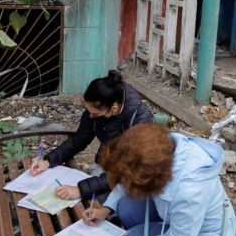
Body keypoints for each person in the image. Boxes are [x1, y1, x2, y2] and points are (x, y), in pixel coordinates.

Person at [80, 123, 236, 236]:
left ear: (151, 181)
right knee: (126, 209)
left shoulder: (189, 193)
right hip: (180, 215)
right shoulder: (163, 149)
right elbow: (128, 176)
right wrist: (106, 209)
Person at [30, 70, 154, 200]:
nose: (90, 116)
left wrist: (80, 190)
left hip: (133, 177)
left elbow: (128, 171)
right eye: (88, 110)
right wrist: (49, 161)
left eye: (94, 114)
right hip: (108, 166)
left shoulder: (141, 123)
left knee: (101, 204)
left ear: (114, 109)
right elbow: (77, 141)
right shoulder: (97, 109)